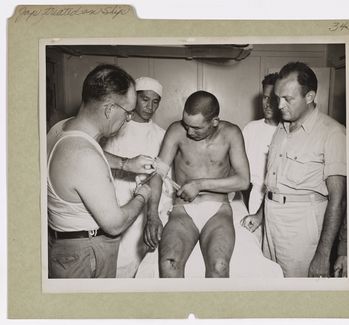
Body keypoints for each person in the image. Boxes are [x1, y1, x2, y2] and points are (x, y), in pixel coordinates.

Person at [241, 62, 347, 277]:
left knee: (297, 297)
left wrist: (324, 254)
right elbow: (274, 181)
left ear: (309, 97)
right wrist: (260, 215)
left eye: (288, 99)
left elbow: (340, 200)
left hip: (301, 228)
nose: (279, 105)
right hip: (271, 222)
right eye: (277, 97)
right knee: (270, 282)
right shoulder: (282, 127)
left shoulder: (333, 133)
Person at [47, 64, 152, 278]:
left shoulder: (61, 128)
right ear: (109, 109)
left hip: (68, 247)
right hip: (87, 254)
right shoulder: (84, 157)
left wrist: (125, 163)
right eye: (128, 112)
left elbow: (83, 155)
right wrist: (142, 195)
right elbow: (115, 224)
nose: (129, 119)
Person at [144, 90, 250, 278]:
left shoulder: (231, 133)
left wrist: (199, 184)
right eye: (186, 125)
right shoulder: (176, 131)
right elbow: (158, 173)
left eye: (196, 128)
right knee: (169, 263)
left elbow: (243, 181)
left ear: (214, 122)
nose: (189, 132)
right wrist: (152, 215)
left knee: (219, 266)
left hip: (218, 211)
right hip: (183, 210)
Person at [103, 76, 173, 278]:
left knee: (144, 263)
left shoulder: (162, 135)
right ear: (134, 98)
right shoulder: (116, 129)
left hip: (150, 203)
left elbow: (164, 176)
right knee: (119, 261)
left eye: (156, 101)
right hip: (118, 201)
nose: (150, 106)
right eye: (145, 99)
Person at [243, 73, 280, 215]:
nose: (268, 104)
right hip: (254, 197)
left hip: (279, 200)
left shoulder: (287, 131)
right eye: (265, 98)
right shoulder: (250, 128)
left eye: (273, 99)